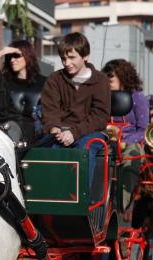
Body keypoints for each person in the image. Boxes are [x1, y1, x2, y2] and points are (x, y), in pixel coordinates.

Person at [41, 32, 111, 189]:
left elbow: (100, 116)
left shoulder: (100, 80)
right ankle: (47, 196)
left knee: (84, 150)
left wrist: (74, 133)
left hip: (91, 131)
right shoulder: (54, 79)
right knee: (46, 150)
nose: (66, 63)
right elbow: (50, 109)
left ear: (85, 56)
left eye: (72, 58)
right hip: (60, 130)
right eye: (63, 59)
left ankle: (80, 199)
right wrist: (54, 129)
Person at [102, 59, 149, 213]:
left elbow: (143, 130)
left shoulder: (137, 97)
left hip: (131, 143)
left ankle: (122, 207)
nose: (108, 81)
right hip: (105, 140)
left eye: (111, 78)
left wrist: (124, 140)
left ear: (123, 76)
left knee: (130, 160)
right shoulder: (102, 97)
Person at [0, 40, 47, 144]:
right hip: (8, 128)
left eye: (16, 56)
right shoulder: (3, 81)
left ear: (27, 56)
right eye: (9, 57)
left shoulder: (45, 82)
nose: (12, 60)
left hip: (36, 131)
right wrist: (1, 53)